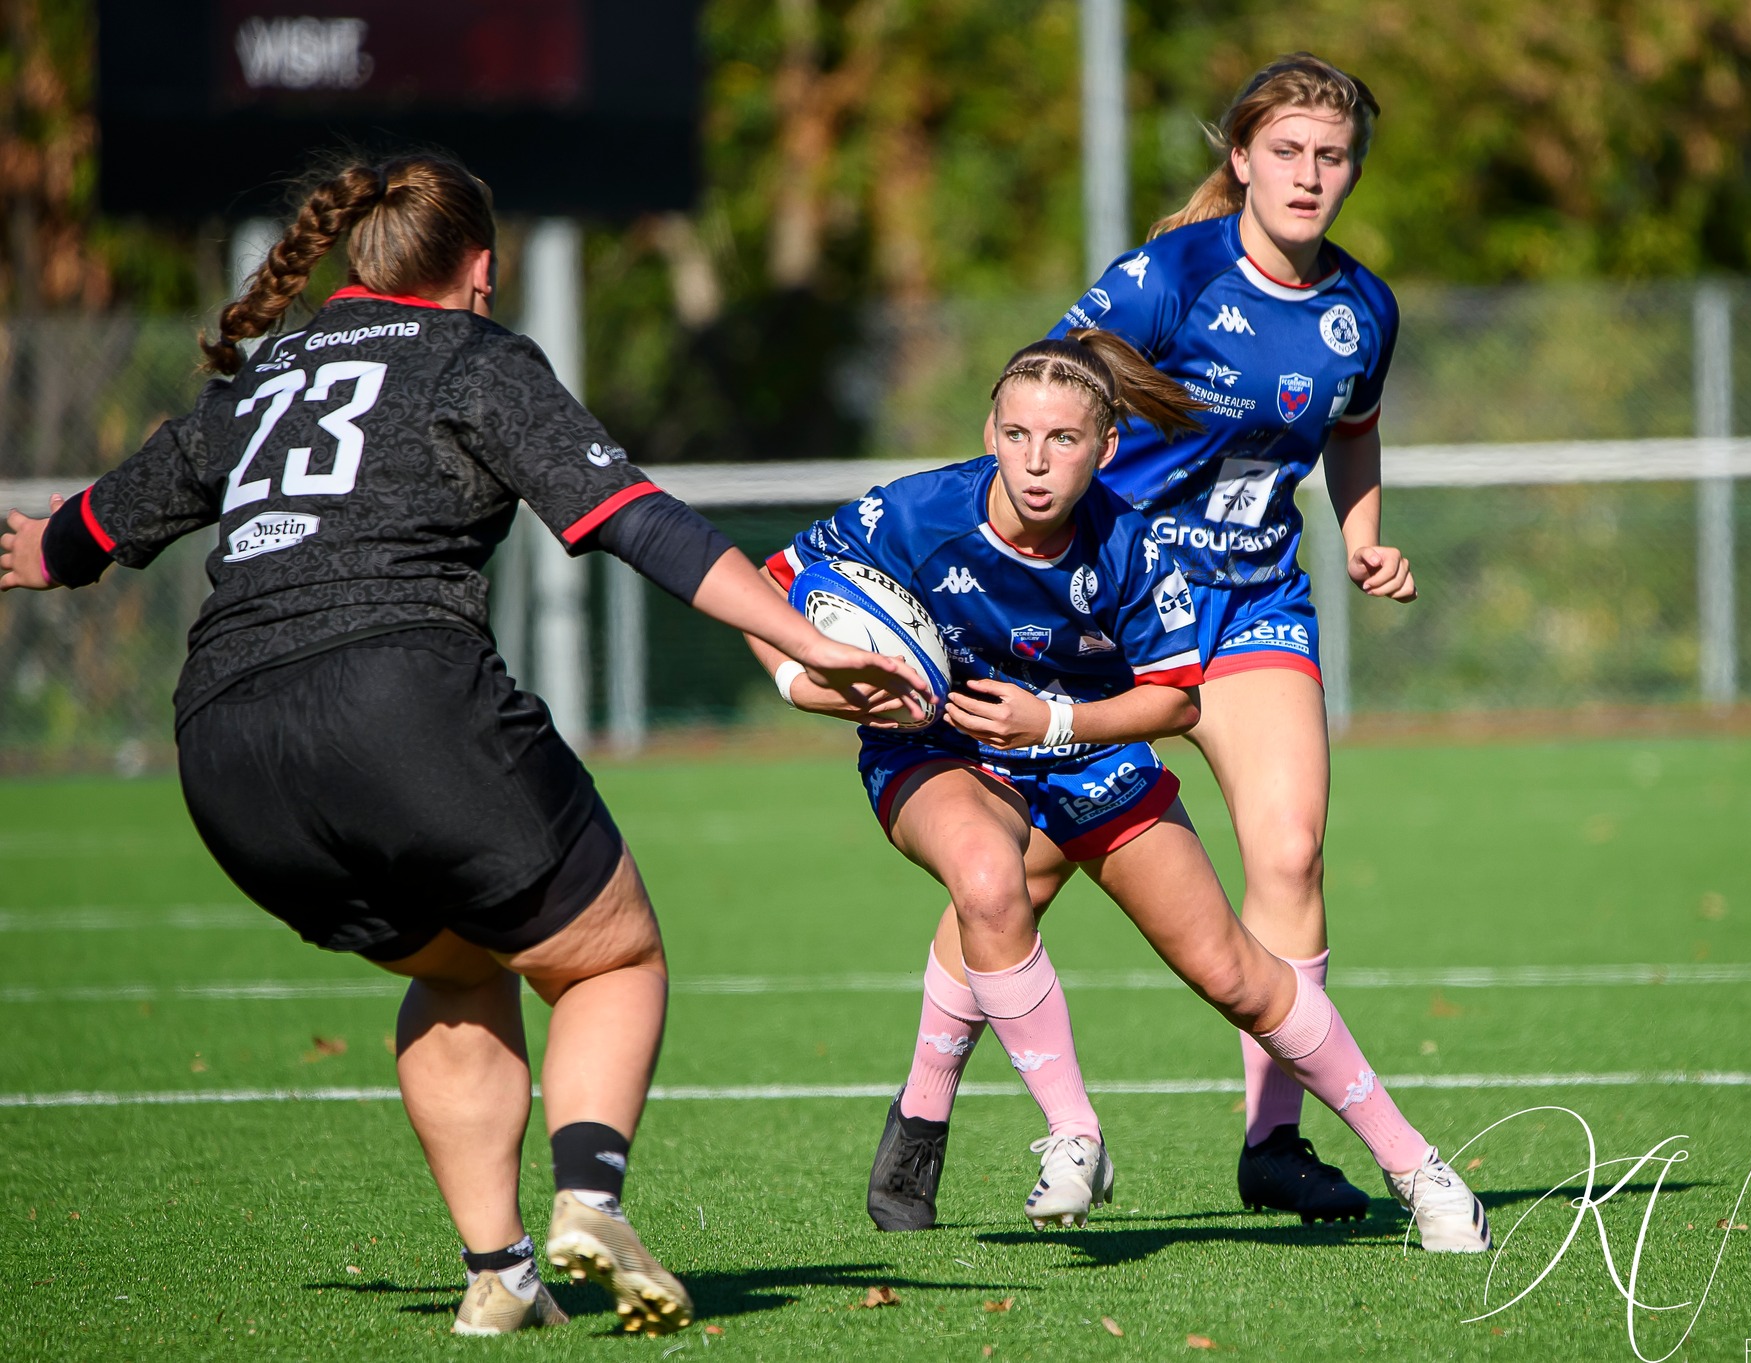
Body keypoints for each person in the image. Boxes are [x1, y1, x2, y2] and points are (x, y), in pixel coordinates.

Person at [0, 154, 927, 1336]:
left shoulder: (273, 368)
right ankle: (589, 1200)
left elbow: (112, 514)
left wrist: (48, 551)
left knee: (455, 966)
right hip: (398, 701)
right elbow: (633, 519)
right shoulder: (475, 357)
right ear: (481, 269)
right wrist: (803, 643)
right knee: (608, 960)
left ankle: (501, 1272)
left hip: (225, 747)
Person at [749, 331, 1486, 1248]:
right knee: (986, 877)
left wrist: (1049, 724)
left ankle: (1418, 1167)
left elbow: (1174, 703)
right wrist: (806, 686)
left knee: (1234, 972)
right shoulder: (916, 512)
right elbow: (771, 586)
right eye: (1016, 434)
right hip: (938, 749)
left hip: (1083, 751)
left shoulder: (1130, 544)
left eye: (1063, 440)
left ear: (1105, 450)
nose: (1034, 460)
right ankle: (1074, 1134)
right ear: (989, 430)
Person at [873, 51, 1428, 1229]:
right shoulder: (1168, 276)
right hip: (1115, 618)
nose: (1308, 176)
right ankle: (923, 1107)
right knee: (1018, 870)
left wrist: (1366, 530)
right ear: (1240, 159)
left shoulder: (1363, 309)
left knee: (1286, 852)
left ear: (1352, 173)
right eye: (1285, 152)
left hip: (1256, 602)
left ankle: (1273, 1143)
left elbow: (1354, 431)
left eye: (1332, 158)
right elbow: (1049, 388)